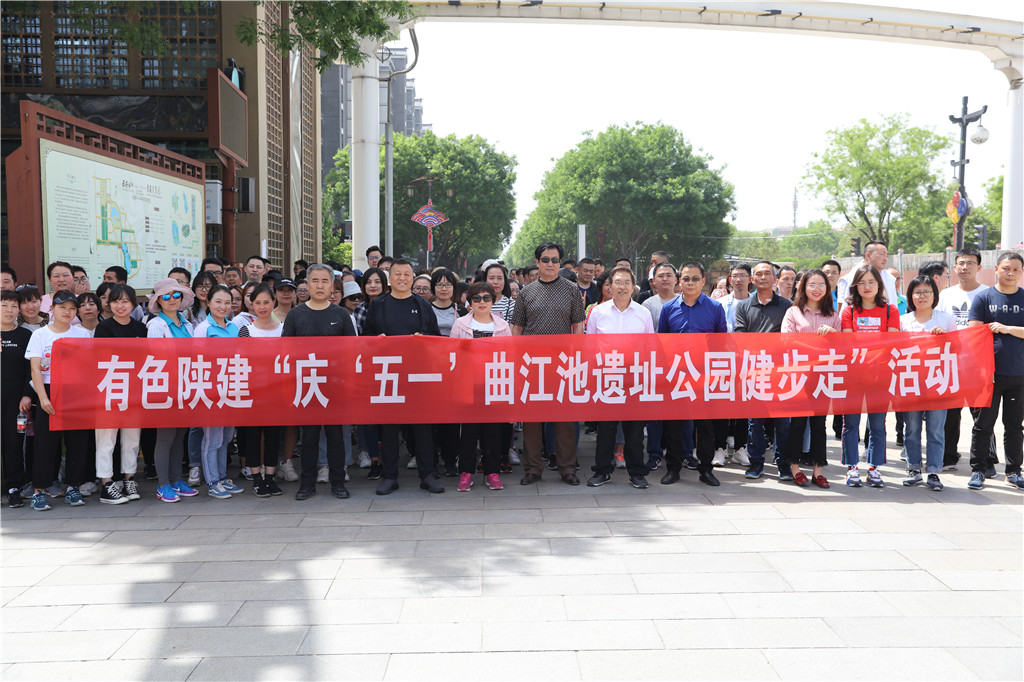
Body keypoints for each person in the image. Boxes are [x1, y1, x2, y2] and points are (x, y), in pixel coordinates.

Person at [364, 258, 444, 495]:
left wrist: (423, 340)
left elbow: (436, 339)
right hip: (388, 376)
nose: (402, 278)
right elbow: (366, 338)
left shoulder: (423, 305)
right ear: (390, 278)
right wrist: (376, 341)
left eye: (407, 274)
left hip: (418, 376)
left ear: (413, 278)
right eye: (397, 274)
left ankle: (427, 474)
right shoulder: (378, 305)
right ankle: (390, 476)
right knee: (389, 429)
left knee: (423, 428)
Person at [511, 242, 587, 486]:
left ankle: (567, 468)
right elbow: (517, 328)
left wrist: (575, 358)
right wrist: (517, 361)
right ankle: (533, 468)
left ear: (560, 263)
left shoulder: (571, 290)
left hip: (563, 364)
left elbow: (578, 325)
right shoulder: (526, 292)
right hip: (532, 365)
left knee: (564, 420)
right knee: (532, 420)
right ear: (537, 262)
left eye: (555, 260)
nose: (550, 264)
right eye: (545, 259)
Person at [282, 263, 357, 501]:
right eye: (315, 280)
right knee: (309, 437)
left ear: (332, 285)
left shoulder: (341, 314)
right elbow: (286, 351)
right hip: (306, 385)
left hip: (334, 386)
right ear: (306, 284)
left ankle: (338, 481)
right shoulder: (296, 314)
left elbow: (351, 351)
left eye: (325, 281)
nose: (320, 285)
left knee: (336, 437)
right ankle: (307, 484)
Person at [657, 261, 726, 487]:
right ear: (680, 281)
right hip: (677, 376)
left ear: (703, 281)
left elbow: (721, 343)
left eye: (695, 279)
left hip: (704, 376)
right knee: (674, 426)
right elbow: (662, 343)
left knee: (705, 426)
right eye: (686, 279)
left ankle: (706, 469)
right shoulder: (669, 308)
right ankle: (673, 468)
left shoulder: (715, 308)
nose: (690, 283)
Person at [585, 265, 655, 489]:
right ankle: (602, 471)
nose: (622, 287)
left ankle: (637, 473)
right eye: (617, 282)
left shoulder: (643, 313)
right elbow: (590, 346)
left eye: (626, 282)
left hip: (634, 379)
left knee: (634, 431)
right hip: (607, 378)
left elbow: (649, 347)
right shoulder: (598, 312)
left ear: (633, 286)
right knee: (606, 430)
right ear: (609, 286)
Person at [25, 290, 91, 511]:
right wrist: (43, 398)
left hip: (76, 391)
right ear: (52, 309)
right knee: (45, 443)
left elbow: (88, 366)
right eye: (62, 307)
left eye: (72, 308)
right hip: (49, 389)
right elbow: (35, 369)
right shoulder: (40, 335)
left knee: (77, 441)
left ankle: (73, 486)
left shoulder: (82, 334)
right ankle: (39, 490)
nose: (67, 312)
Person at [967, 251, 1024, 491]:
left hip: (1019, 373)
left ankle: (1013, 472)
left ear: (1021, 273)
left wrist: (1007, 328)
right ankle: (978, 470)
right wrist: (982, 369)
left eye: (1016, 269)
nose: (1011, 273)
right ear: (996, 269)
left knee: (1014, 426)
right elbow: (974, 334)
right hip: (989, 375)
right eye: (1006, 268)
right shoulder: (984, 298)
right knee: (983, 425)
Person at [840, 263, 900, 488]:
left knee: (877, 425)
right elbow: (849, 342)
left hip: (880, 376)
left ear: (879, 285)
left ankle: (874, 469)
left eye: (871, 282)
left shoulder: (890, 310)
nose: (867, 286)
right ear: (855, 285)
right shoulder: (849, 311)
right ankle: (852, 468)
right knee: (851, 425)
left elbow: (891, 342)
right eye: (862, 282)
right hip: (854, 376)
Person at [781, 269, 841, 488]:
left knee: (819, 424)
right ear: (803, 287)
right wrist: (812, 344)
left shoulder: (833, 315)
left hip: (823, 376)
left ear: (828, 288)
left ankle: (818, 470)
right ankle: (795, 468)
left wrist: (833, 335)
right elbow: (786, 340)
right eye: (812, 285)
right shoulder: (793, 312)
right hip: (800, 375)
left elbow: (843, 346)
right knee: (797, 423)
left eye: (821, 285)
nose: (817, 289)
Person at [450, 281, 512, 491]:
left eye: (486, 298)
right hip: (468, 384)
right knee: (468, 431)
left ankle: (492, 472)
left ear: (493, 301)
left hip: (494, 384)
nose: (482, 302)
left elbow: (509, 356)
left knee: (492, 431)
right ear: (470, 302)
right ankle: (466, 472)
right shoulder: (460, 324)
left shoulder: (502, 326)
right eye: (476, 298)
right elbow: (452, 355)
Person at [735, 260, 792, 481]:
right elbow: (740, 337)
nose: (763, 277)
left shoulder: (787, 305)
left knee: (782, 422)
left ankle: (783, 464)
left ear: (775, 279)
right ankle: (756, 463)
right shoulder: (744, 306)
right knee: (755, 422)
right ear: (752, 279)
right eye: (758, 274)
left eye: (767, 273)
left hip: (780, 372)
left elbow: (789, 337)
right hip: (753, 371)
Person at [898, 275, 955, 491]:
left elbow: (957, 348)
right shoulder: (903, 321)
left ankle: (934, 471)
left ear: (934, 295)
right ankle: (914, 468)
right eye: (917, 292)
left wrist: (945, 338)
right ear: (910, 296)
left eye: (927, 292)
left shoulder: (946, 319)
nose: (922, 296)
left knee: (936, 429)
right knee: (911, 428)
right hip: (911, 381)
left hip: (937, 382)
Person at [937, 248, 990, 472]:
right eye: (961, 263)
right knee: (950, 413)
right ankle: (948, 456)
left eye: (970, 263)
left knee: (982, 414)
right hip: (950, 362)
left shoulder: (988, 294)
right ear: (954, 267)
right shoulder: (945, 295)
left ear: (979, 267)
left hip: (978, 363)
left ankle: (987, 459)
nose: (965, 267)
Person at [93, 284, 147, 504]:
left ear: (133, 304)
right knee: (106, 440)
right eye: (115, 301)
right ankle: (107, 483)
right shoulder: (104, 328)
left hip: (134, 391)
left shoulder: (140, 328)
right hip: (109, 390)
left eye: (125, 301)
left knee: (132, 439)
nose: (120, 306)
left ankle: (129, 479)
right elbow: (100, 359)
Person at [146, 278, 198, 502]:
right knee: (165, 436)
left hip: (186, 386)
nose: (172, 299)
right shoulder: (156, 325)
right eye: (165, 296)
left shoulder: (187, 325)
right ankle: (163, 484)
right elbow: (157, 359)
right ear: (158, 301)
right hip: (166, 387)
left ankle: (176, 479)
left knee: (180, 435)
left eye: (176, 294)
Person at [237, 284, 284, 497]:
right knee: (253, 435)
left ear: (274, 302)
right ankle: (257, 479)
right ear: (251, 305)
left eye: (266, 302)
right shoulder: (246, 330)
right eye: (258, 303)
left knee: (274, 435)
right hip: (253, 390)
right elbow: (242, 361)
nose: (262, 307)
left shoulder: (284, 328)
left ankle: (270, 477)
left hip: (277, 390)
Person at [641, 262, 679, 470]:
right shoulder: (647, 305)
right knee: (655, 414)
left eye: (669, 275)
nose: (665, 279)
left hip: (680, 366)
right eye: (661, 276)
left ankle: (680, 453)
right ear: (653, 281)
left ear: (676, 279)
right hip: (655, 365)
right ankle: (654, 454)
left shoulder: (684, 302)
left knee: (679, 414)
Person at [2, 289, 33, 508]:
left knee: (14, 444)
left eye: (14, 306)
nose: (9, 310)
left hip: (16, 401)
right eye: (4, 305)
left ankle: (14, 488)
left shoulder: (25, 336)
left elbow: (31, 370)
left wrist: (26, 395)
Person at [836, 241, 898, 310]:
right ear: (868, 255)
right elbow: (842, 308)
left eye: (887, 255)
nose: (885, 259)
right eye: (882, 254)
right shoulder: (847, 279)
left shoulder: (890, 279)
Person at [429, 268, 465, 338]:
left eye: (448, 285)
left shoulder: (462, 311)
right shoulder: (426, 309)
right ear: (433, 287)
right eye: (439, 285)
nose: (444, 289)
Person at [352, 267, 388, 335]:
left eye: (377, 282)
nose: (373, 286)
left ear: (383, 284)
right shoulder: (359, 310)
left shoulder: (391, 306)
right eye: (368, 282)